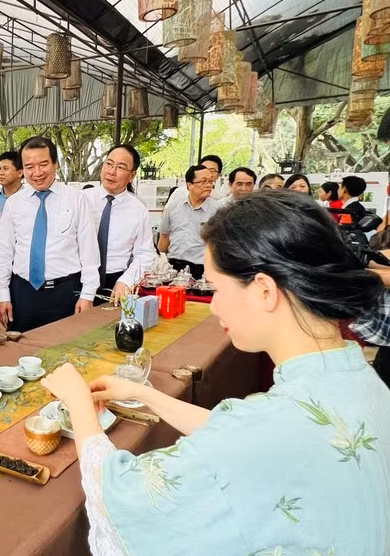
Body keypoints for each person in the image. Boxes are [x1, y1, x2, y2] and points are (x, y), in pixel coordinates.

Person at [41, 190, 390, 556]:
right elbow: (243, 432)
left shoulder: (261, 427)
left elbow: (126, 498)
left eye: (218, 288)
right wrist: (145, 394)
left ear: (264, 290)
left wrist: (79, 406)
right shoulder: (360, 380)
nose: (213, 307)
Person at [0, 136, 100, 333]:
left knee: (65, 355)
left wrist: (87, 295)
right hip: (22, 294)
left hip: (65, 293)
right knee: (21, 355)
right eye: (29, 166)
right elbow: (3, 253)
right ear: (22, 170)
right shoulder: (14, 203)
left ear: (56, 164)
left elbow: (89, 253)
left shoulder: (77, 199)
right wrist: (3, 296)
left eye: (43, 164)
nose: (37, 173)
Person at [87, 145, 154, 306]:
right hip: (79, 281)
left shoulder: (138, 209)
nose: (111, 171)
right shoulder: (82, 200)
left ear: (132, 175)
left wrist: (126, 281)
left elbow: (145, 253)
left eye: (121, 167)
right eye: (109, 164)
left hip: (116, 284)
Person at [157, 164, 221, 279]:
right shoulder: (174, 206)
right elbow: (164, 235)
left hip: (202, 269)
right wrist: (161, 259)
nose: (208, 185)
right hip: (173, 267)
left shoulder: (217, 211)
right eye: (203, 181)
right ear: (189, 185)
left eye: (211, 182)